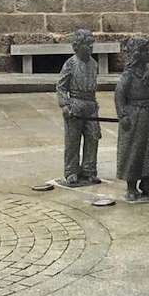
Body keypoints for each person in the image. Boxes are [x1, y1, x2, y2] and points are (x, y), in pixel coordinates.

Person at [115, 36, 149, 201]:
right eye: (145, 51)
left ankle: (147, 183)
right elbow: (119, 95)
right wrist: (123, 115)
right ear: (137, 53)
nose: (148, 54)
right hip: (134, 115)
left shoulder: (146, 74)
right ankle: (131, 186)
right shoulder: (128, 75)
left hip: (147, 114)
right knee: (133, 149)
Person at [56, 28, 101, 186]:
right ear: (78, 46)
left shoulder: (94, 64)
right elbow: (61, 86)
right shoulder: (71, 63)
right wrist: (64, 104)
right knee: (73, 139)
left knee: (93, 137)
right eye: (87, 44)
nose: (90, 47)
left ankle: (89, 170)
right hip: (75, 103)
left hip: (91, 104)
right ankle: (71, 171)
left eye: (91, 44)